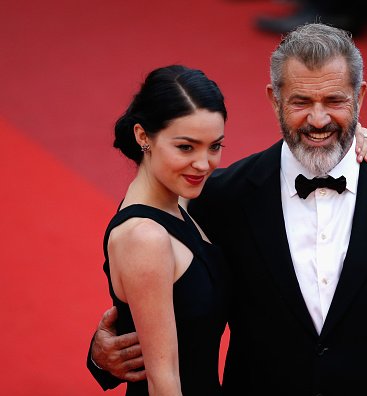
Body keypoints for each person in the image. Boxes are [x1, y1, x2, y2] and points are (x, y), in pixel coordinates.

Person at [89, 23, 367, 395]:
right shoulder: (221, 197)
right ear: (275, 99)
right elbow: (163, 291)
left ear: (359, 97)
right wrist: (101, 356)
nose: (319, 119)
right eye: (302, 102)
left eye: (336, 101)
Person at [98, 65, 230, 395]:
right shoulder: (145, 237)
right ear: (143, 137)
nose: (203, 164)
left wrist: (346, 139)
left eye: (214, 146)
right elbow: (164, 380)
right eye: (186, 147)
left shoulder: (178, 202)